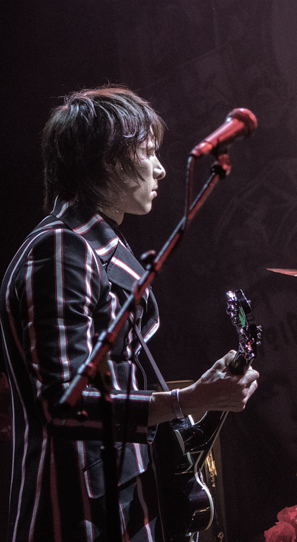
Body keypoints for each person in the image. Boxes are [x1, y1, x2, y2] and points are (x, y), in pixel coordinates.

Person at [0, 87, 260, 541]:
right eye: (148, 152)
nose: (160, 168)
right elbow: (64, 406)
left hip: (120, 503)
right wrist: (189, 399)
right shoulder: (62, 250)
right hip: (75, 513)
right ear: (107, 160)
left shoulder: (99, 247)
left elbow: (113, 383)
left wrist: (200, 395)